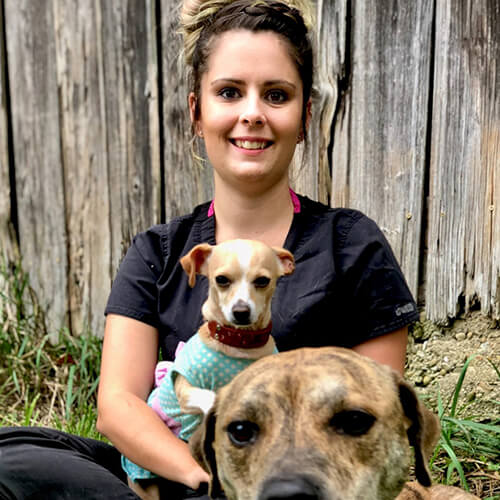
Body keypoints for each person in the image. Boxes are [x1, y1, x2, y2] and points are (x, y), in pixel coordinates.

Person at [0, 1, 419, 499]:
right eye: (229, 92)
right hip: (177, 470)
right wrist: (208, 480)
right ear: (198, 112)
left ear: (305, 116)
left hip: (298, 482)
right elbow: (118, 406)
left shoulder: (349, 244)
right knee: (14, 452)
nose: (252, 114)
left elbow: (378, 415)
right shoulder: (159, 250)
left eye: (276, 95)